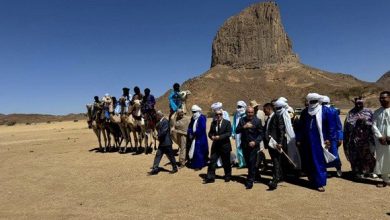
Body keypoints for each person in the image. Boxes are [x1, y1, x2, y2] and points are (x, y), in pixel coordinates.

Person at [296, 93, 337, 192]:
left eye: (314, 101)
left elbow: (331, 127)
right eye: (311, 101)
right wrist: (298, 138)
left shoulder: (326, 111)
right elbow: (300, 127)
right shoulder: (305, 112)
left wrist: (329, 139)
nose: (312, 103)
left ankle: (320, 183)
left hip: (320, 142)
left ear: (318, 101)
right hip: (307, 142)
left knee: (319, 162)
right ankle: (312, 179)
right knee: (308, 161)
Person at [343, 97, 376, 179]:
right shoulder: (351, 113)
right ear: (354, 103)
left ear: (363, 102)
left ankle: (370, 171)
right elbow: (347, 125)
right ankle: (358, 171)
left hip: (367, 139)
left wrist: (365, 121)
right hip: (354, 139)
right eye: (357, 102)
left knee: (368, 156)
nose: (359, 104)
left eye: (360, 102)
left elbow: (374, 124)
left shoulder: (369, 112)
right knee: (355, 156)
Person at [236, 106, 264, 189]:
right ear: (246, 112)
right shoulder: (242, 120)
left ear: (254, 112)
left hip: (253, 146)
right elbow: (237, 130)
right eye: (248, 112)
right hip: (244, 145)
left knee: (252, 162)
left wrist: (255, 142)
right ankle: (257, 176)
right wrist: (244, 127)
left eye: (251, 112)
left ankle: (250, 181)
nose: (250, 114)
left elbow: (261, 133)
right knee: (248, 162)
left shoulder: (257, 121)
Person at [204, 109, 233, 183]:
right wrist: (211, 137)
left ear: (222, 115)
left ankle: (227, 176)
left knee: (226, 162)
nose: (218, 116)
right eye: (217, 114)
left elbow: (228, 133)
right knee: (212, 161)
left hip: (225, 146)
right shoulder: (213, 123)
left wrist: (219, 137)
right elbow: (210, 133)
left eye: (220, 114)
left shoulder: (227, 123)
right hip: (215, 146)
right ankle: (210, 177)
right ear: (215, 115)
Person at [275, 99, 301, 173]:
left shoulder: (288, 113)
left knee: (291, 153)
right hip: (282, 138)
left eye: (279, 108)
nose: (277, 110)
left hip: (289, 137)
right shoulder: (279, 114)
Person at [263, 102, 285, 190]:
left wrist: (280, 143)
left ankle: (275, 180)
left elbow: (281, 130)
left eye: (265, 110)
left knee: (276, 161)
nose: (264, 112)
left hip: (275, 144)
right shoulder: (268, 118)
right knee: (275, 161)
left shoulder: (277, 117)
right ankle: (280, 176)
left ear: (269, 109)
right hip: (270, 144)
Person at [149, 111, 178, 175]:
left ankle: (175, 168)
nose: (156, 117)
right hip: (162, 143)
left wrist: (157, 136)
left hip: (167, 143)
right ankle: (155, 168)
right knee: (158, 155)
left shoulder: (165, 121)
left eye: (157, 116)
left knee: (170, 156)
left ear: (159, 116)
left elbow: (164, 132)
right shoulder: (160, 121)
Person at [321, 95, 343, 177]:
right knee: (325, 154)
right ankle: (325, 170)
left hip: (333, 137)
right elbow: (339, 125)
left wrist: (340, 137)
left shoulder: (333, 111)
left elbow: (338, 126)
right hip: (326, 137)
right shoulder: (320, 111)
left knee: (334, 154)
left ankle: (338, 168)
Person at [372, 91, 390, 187]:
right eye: (380, 98)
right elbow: (374, 126)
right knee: (382, 159)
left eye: (384, 98)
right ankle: (384, 179)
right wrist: (380, 136)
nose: (382, 99)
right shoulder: (377, 112)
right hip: (381, 141)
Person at [187, 105, 209, 170]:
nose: (193, 113)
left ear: (198, 111)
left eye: (194, 112)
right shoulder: (193, 118)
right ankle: (195, 164)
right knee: (195, 151)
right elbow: (190, 126)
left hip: (201, 138)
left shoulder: (202, 118)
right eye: (192, 112)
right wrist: (190, 132)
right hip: (194, 138)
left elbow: (202, 128)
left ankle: (199, 165)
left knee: (199, 152)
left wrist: (194, 134)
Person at [232, 101, 247, 168]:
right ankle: (241, 163)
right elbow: (234, 124)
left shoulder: (246, 114)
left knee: (245, 148)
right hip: (238, 134)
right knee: (238, 148)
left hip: (245, 134)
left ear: (243, 107)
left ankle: (247, 162)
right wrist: (233, 133)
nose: (238, 108)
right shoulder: (236, 114)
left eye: (240, 107)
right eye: (238, 106)